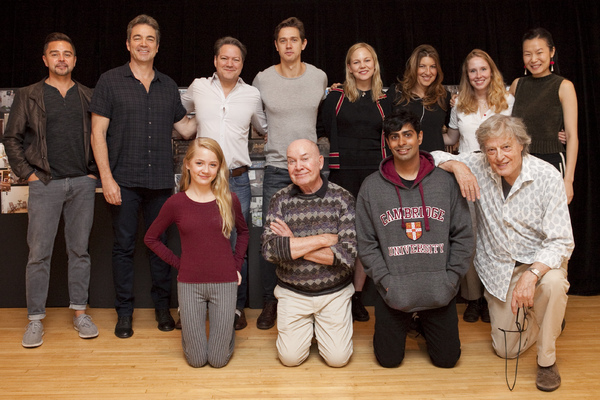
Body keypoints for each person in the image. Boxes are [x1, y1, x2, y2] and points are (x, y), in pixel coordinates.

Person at [432, 115, 574, 392]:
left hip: (541, 263)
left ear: (522, 144)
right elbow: (431, 156)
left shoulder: (547, 176)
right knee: (506, 350)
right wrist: (457, 166)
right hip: (500, 268)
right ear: (483, 151)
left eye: (506, 147)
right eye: (491, 149)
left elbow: (561, 241)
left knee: (555, 284)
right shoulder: (477, 164)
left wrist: (531, 275)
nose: (499, 156)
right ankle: (547, 318)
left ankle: (547, 360)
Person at [90, 14, 196, 339]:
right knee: (123, 247)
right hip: (121, 180)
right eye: (138, 37)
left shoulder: (167, 86)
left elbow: (186, 128)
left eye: (150, 38)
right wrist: (106, 178)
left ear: (157, 46)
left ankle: (163, 309)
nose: (144, 43)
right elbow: (97, 133)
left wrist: (215, 106)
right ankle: (125, 314)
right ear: (128, 43)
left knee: (160, 245)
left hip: (160, 182)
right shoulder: (109, 81)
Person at [3, 33, 99, 348]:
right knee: (38, 255)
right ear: (45, 60)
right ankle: (34, 320)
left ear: (74, 59)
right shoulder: (29, 94)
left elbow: (102, 137)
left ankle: (80, 314)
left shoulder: (88, 95)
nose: (61, 59)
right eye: (55, 54)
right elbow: (11, 138)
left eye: (67, 54)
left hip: (82, 186)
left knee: (79, 252)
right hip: (44, 184)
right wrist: (28, 175)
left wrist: (92, 175)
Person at [356, 110, 473, 368]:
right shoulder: (371, 187)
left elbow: (463, 236)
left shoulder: (445, 183)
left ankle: (421, 322)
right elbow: (366, 243)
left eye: (408, 134)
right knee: (388, 360)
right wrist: (386, 282)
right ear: (387, 142)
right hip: (394, 292)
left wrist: (451, 279)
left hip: (439, 291)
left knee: (447, 360)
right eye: (395, 137)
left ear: (420, 137)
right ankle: (407, 321)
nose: (402, 142)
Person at [181, 36, 267, 331]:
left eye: (236, 59)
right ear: (215, 61)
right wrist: (187, 126)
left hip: (236, 180)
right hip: (201, 180)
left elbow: (262, 126)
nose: (230, 63)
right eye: (224, 58)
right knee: (196, 243)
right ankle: (190, 304)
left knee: (234, 248)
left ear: (242, 64)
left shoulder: (253, 95)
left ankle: (235, 307)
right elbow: (175, 109)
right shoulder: (198, 87)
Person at [145, 138, 248, 368]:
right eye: (200, 163)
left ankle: (226, 334)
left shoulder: (229, 200)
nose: (206, 170)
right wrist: (180, 264)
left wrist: (236, 266)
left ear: (219, 168)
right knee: (197, 360)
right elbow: (150, 238)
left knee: (218, 360)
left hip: (225, 283)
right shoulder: (176, 203)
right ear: (188, 164)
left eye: (213, 164)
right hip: (190, 285)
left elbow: (244, 233)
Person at [252, 17, 327, 330]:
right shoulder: (263, 79)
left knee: (312, 234)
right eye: (283, 40)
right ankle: (272, 301)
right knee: (273, 236)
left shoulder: (320, 78)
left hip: (310, 170)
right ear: (276, 45)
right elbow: (258, 120)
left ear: (303, 43)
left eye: (294, 39)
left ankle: (315, 297)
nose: (288, 45)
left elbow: (320, 118)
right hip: (277, 169)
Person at [262, 139, 356, 367]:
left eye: (305, 159)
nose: (298, 166)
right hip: (292, 293)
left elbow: (346, 255)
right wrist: (323, 240)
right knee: (290, 359)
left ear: (320, 161)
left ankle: (319, 327)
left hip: (333, 293)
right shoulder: (280, 200)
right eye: (292, 161)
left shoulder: (342, 198)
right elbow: (270, 251)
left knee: (338, 360)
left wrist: (292, 244)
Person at [320, 42, 391, 322]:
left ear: (374, 64)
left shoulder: (386, 101)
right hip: (343, 173)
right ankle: (338, 294)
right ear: (349, 67)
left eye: (367, 61)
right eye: (356, 62)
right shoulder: (335, 96)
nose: (362, 66)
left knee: (366, 237)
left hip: (375, 175)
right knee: (340, 236)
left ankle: (357, 297)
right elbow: (323, 129)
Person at [446, 49, 515, 323]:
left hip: (498, 173)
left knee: (496, 239)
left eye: (482, 69)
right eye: (472, 71)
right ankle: (474, 300)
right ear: (467, 75)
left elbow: (516, 137)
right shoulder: (459, 103)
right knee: (470, 239)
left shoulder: (507, 101)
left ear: (491, 71)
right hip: (466, 175)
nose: (478, 75)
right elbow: (451, 136)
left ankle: (493, 296)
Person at [510, 28, 578, 204]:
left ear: (552, 51)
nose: (534, 59)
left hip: (552, 163)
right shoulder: (517, 85)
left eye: (539, 52)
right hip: (521, 163)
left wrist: (568, 180)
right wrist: (458, 99)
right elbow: (495, 109)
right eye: (528, 54)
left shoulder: (564, 86)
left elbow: (572, 136)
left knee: (552, 225)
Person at [390, 44, 451, 152]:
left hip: (434, 163)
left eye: (433, 66)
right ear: (413, 68)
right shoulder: (396, 93)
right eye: (422, 66)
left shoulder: (444, 97)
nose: (428, 72)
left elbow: (453, 135)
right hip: (402, 163)